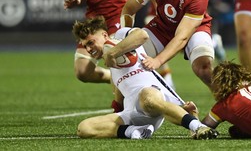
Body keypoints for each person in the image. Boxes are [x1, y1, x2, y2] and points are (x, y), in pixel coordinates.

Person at [72, 16, 219, 140]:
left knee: (147, 98)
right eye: (86, 46)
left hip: (150, 97)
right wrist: (117, 110)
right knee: (84, 128)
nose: (89, 49)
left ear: (104, 35)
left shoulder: (120, 35)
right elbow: (118, 89)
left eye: (91, 42)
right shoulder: (109, 61)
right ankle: (135, 132)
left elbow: (143, 35)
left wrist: (112, 52)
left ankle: (198, 127)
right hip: (132, 112)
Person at [121, 0, 214, 88]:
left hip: (194, 29)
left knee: (203, 67)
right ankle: (123, 106)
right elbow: (128, 10)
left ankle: (228, 101)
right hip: (162, 26)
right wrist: (125, 38)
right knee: (128, 61)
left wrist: (158, 61)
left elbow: (182, 37)